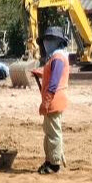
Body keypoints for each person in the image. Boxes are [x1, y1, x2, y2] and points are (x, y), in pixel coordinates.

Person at [30, 26, 70, 174]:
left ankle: (54, 165)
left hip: (54, 99)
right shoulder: (55, 57)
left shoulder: (58, 58)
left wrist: (46, 101)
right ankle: (50, 160)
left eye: (50, 40)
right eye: (46, 40)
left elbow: (54, 82)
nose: (47, 43)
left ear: (58, 41)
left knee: (53, 133)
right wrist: (40, 74)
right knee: (49, 132)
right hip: (53, 99)